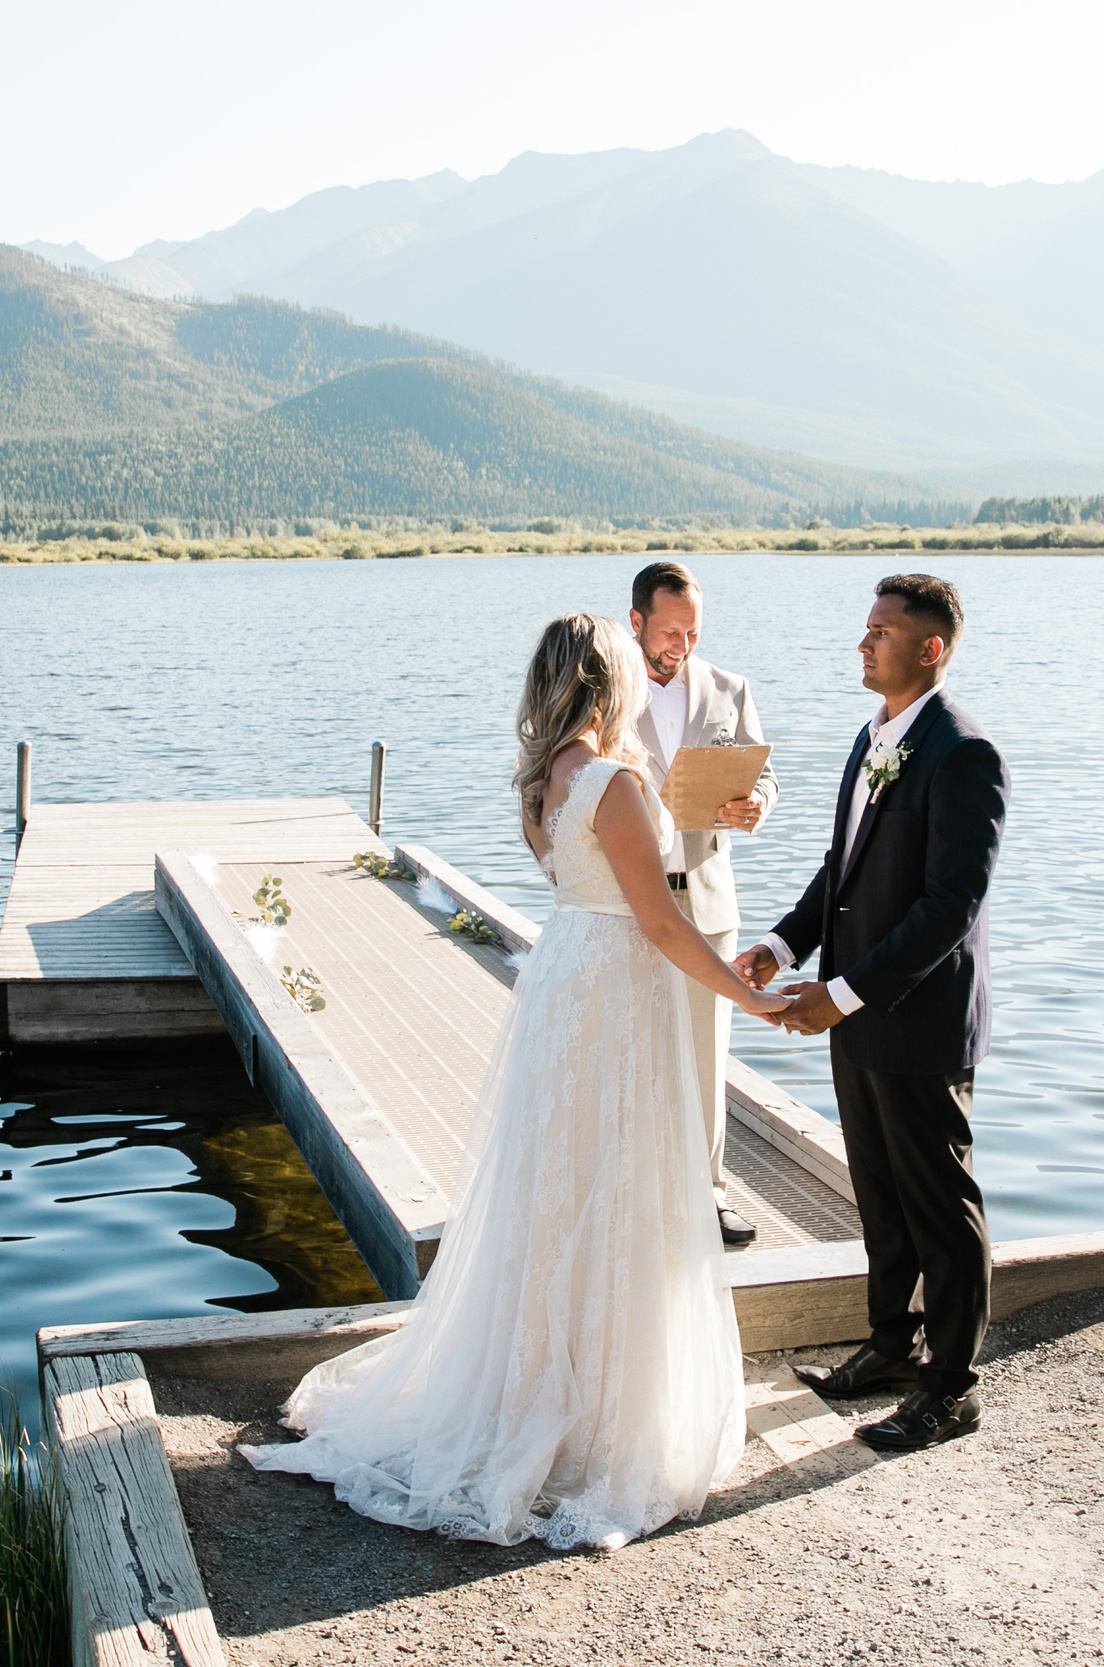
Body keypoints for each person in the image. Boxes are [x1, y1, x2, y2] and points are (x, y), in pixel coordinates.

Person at [243, 614, 790, 1548]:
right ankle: (594, 1411)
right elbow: (659, 921)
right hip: (617, 988)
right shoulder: (614, 782)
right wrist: (742, 988)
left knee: (560, 1188)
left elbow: (600, 883)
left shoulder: (547, 782)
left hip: (569, 978)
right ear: (605, 681)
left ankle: (544, 1382)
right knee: (614, 1183)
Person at [736, 574, 1009, 1453]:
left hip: (914, 1019)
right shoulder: (871, 738)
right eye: (865, 628)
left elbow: (950, 906)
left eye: (882, 631)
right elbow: (842, 871)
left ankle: (952, 1385)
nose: (864, 642)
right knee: (881, 1198)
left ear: (929, 648)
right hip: (852, 1014)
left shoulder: (964, 752)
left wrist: (842, 994)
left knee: (940, 1204)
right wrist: (782, 946)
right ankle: (891, 1345)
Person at [626, 561, 780, 1247]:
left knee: (705, 1054)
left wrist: (756, 805)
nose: (681, 645)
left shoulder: (730, 688)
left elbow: (765, 774)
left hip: (709, 901)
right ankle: (627, 1191)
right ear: (636, 623)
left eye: (692, 632)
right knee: (628, 1047)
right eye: (668, 632)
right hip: (630, 901)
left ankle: (708, 1195)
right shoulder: (603, 688)